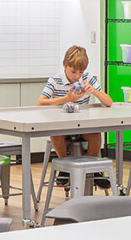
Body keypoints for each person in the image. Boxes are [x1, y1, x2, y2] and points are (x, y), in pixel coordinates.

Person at [38, 46, 113, 187]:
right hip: (62, 126)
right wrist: (66, 98)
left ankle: (94, 169)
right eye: (73, 72)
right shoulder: (55, 80)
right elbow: (40, 103)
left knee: (96, 134)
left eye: (81, 72)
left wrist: (94, 92)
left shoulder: (87, 79)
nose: (77, 76)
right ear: (64, 65)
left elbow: (108, 102)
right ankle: (64, 168)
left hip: (82, 126)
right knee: (56, 134)